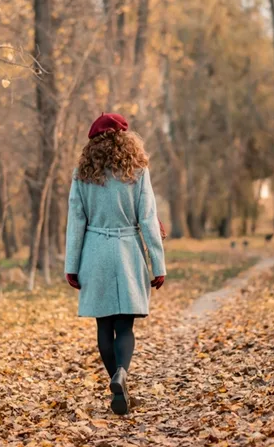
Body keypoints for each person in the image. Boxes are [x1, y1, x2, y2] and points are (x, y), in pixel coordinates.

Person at [63, 113, 166, 416]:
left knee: (103, 326)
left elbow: (76, 221)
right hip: (127, 252)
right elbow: (147, 218)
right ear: (126, 139)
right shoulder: (137, 170)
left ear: (93, 142)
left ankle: (114, 379)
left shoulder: (82, 173)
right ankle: (122, 374)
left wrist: (72, 264)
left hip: (94, 251)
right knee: (125, 326)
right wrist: (158, 263)